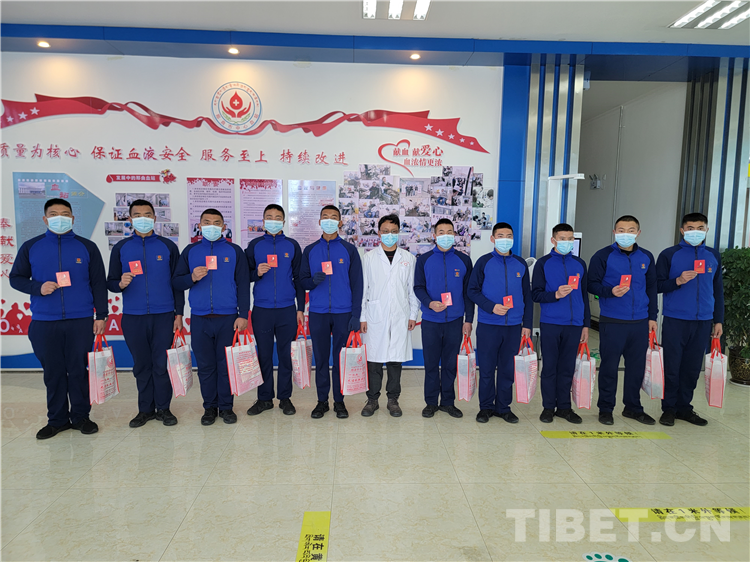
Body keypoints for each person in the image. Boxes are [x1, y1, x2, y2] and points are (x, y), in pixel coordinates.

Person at [9, 198, 107, 439]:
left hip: (81, 320)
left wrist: (101, 315)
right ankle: (57, 420)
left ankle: (81, 417)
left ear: (72, 218)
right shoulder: (31, 246)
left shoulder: (87, 247)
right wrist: (38, 287)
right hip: (44, 322)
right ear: (45, 219)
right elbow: (16, 278)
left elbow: (98, 283)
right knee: (53, 373)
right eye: (53, 214)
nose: (59, 218)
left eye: (65, 213)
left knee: (78, 370)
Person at [107, 199, 184, 428]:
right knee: (141, 365)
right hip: (133, 316)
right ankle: (145, 410)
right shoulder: (121, 248)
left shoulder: (168, 247)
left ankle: (164, 409)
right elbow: (110, 282)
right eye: (138, 215)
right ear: (130, 219)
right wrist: (120, 283)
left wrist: (179, 313)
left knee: (161, 364)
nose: (143, 218)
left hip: (164, 315)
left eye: (147, 214)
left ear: (154, 218)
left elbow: (177, 283)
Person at [172, 208, 249, 425]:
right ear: (199, 225)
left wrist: (243, 314)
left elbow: (243, 284)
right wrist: (191, 277)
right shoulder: (190, 251)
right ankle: (209, 408)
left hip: (228, 318)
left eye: (216, 223)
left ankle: (226, 407)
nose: (211, 226)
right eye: (207, 222)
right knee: (205, 367)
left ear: (223, 227)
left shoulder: (234, 251)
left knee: (226, 366)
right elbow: (176, 282)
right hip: (200, 319)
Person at [587, 215, 658, 426]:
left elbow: (651, 288)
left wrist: (652, 317)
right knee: (609, 367)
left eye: (630, 230)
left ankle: (633, 407)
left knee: (636, 368)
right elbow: (591, 284)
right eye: (621, 230)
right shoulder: (602, 256)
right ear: (614, 232)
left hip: (640, 322)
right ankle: (605, 408)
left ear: (638, 233)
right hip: (613, 321)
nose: (625, 234)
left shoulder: (646, 257)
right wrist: (610, 291)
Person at [656, 212, 724, 427]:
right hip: (675, 319)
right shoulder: (669, 254)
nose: (696, 232)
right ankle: (668, 409)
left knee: (692, 368)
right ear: (682, 230)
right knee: (672, 366)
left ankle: (684, 408)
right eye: (690, 228)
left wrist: (719, 320)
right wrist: (677, 280)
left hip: (703, 321)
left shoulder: (713, 255)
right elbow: (656, 285)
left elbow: (718, 290)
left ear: (707, 230)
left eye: (700, 228)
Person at [300, 205, 363, 419]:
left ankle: (339, 401)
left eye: (333, 217)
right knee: (321, 359)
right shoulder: (310, 250)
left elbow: (357, 284)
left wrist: (356, 314)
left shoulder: (349, 250)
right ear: (319, 222)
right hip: (318, 312)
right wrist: (312, 281)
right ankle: (321, 402)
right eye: (325, 217)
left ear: (340, 222)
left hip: (343, 313)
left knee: (340, 360)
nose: (329, 220)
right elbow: (302, 281)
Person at [467, 222, 532, 424]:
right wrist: (491, 307)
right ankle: (485, 407)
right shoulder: (484, 262)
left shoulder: (520, 264)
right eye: (501, 235)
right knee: (487, 369)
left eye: (509, 236)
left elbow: (527, 296)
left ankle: (503, 407)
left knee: (507, 369)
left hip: (513, 326)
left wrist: (527, 324)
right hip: (489, 324)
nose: (505, 239)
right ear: (493, 239)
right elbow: (472, 291)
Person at [245, 204, 305, 417]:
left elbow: (298, 279)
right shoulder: (254, 245)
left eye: (277, 217)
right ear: (263, 221)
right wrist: (256, 273)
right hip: (262, 309)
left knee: (285, 355)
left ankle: (285, 398)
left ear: (283, 221)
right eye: (269, 217)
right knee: (264, 356)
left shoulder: (292, 245)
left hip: (287, 309)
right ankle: (264, 399)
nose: (273, 220)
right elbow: (244, 275)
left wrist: (300, 308)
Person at [360, 215, 419, 417]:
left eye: (393, 231)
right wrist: (362, 317)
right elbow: (364, 290)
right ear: (379, 233)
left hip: (401, 315)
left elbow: (412, 290)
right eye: (385, 231)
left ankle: (393, 399)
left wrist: (413, 314)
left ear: (398, 233)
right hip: (374, 316)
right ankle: (372, 399)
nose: (389, 235)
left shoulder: (408, 259)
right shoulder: (369, 258)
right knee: (374, 360)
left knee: (395, 360)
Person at [414, 218, 474, 418]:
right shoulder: (424, 260)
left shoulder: (464, 260)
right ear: (434, 235)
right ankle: (431, 403)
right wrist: (429, 303)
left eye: (449, 232)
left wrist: (468, 319)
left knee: (450, 364)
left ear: (454, 235)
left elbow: (469, 292)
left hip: (455, 321)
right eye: (441, 232)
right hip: (431, 321)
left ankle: (448, 402)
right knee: (431, 364)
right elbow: (418, 287)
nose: (446, 236)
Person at [532, 223, 590, 424]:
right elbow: (535, 294)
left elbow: (584, 295)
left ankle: (564, 407)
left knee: (567, 367)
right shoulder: (543, 263)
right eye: (562, 239)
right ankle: (548, 407)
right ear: (553, 240)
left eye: (570, 239)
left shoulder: (580, 264)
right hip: (551, 323)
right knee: (550, 367)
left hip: (575, 324)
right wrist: (555, 294)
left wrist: (585, 324)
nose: (567, 242)